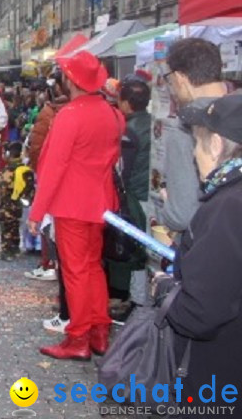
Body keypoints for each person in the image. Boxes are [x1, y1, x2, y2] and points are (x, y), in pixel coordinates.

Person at [27, 51, 122, 361]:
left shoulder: (71, 115)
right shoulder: (113, 114)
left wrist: (37, 210)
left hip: (72, 203)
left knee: (75, 271)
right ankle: (99, 330)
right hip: (101, 202)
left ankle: (78, 336)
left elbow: (53, 167)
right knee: (93, 267)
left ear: (71, 80)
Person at [160, 93, 242, 405]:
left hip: (219, 381)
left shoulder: (228, 207)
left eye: (197, 143)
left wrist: (166, 293)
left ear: (217, 144)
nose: (194, 154)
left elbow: (202, 311)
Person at [157, 38, 229, 233]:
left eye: (169, 78)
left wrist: (166, 206)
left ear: (180, 78)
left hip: (205, 247)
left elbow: (182, 215)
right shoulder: (235, 112)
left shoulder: (184, 127)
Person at [114, 78, 152, 314]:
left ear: (126, 102)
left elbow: (122, 170)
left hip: (135, 195)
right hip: (150, 192)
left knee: (136, 249)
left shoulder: (129, 131)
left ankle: (138, 302)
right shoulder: (152, 123)